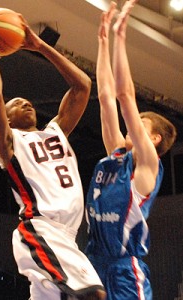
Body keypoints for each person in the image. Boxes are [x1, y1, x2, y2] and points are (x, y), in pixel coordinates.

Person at [0, 18, 106, 300]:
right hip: (40, 229)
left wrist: (40, 46)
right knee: (93, 295)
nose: (25, 102)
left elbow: (82, 86)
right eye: (16, 103)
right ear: (7, 118)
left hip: (67, 238)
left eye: (27, 101)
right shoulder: (8, 142)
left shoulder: (57, 130)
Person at [85, 1, 177, 300]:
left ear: (153, 140)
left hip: (125, 271)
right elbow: (105, 96)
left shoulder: (148, 166)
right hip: (93, 265)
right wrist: (101, 41)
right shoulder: (116, 157)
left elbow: (124, 96)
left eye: (139, 124)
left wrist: (120, 36)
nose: (131, 126)